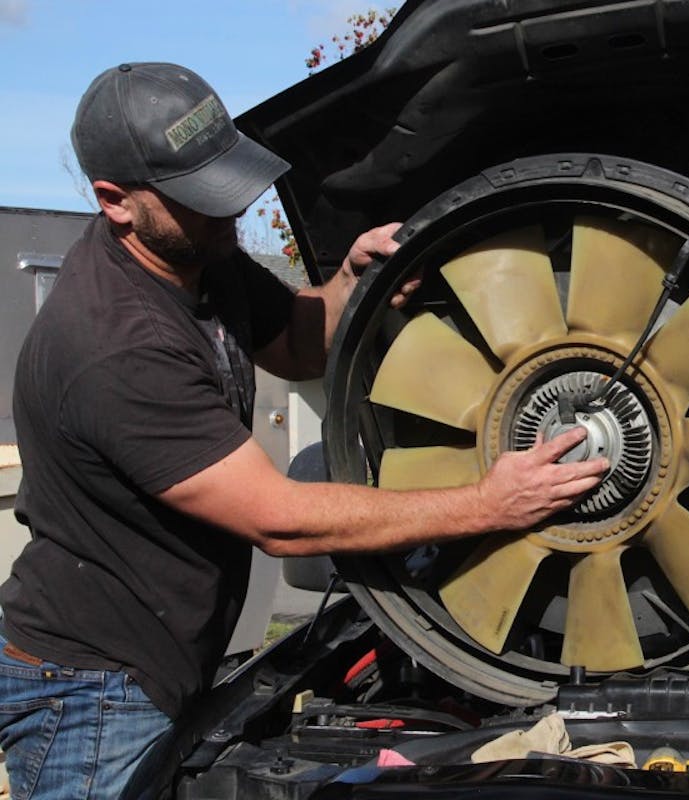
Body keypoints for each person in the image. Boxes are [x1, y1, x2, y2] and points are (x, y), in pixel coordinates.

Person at [0, 62, 607, 799]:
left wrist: (353, 280)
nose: (232, 212)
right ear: (116, 203)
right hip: (93, 694)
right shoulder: (114, 343)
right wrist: (491, 502)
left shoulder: (199, 257)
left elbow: (294, 340)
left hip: (165, 662)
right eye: (201, 197)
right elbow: (280, 522)